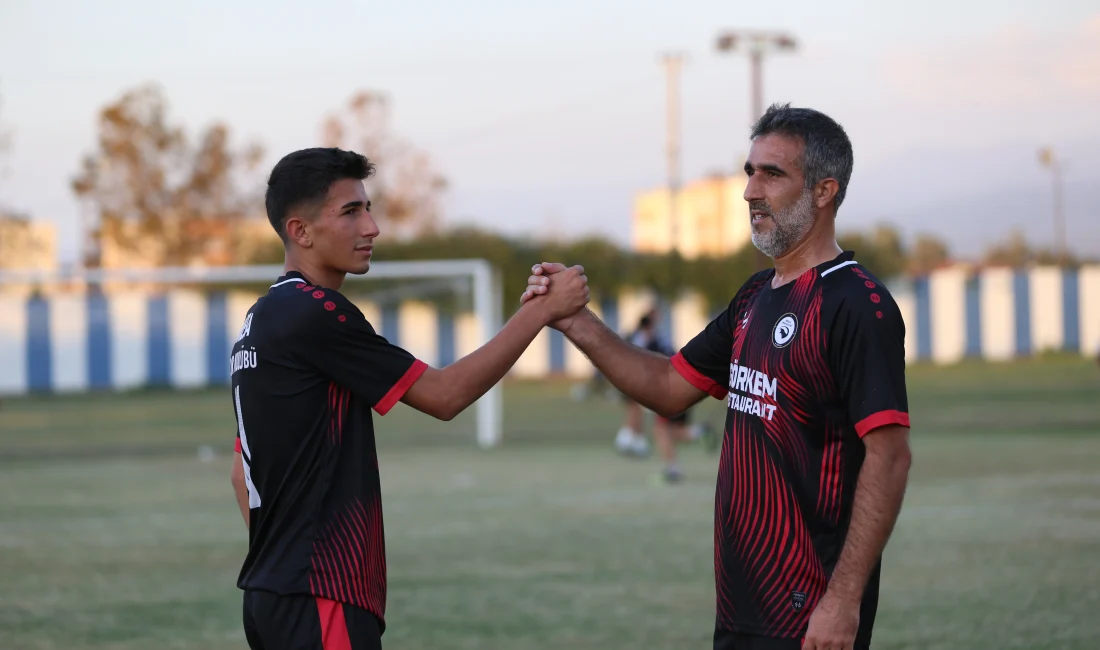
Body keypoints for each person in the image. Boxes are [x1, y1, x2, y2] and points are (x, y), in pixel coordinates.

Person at [523, 103, 912, 650]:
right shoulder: (754, 297)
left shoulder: (856, 303)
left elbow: (890, 456)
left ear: (825, 191)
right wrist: (576, 323)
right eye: (749, 172)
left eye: (772, 173)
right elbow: (666, 387)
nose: (751, 190)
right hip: (741, 608)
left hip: (809, 613)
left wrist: (843, 602)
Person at [228, 147, 588, 650]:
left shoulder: (261, 319)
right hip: (320, 596)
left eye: (368, 208)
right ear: (301, 231)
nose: (371, 226)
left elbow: (239, 474)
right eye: (351, 212)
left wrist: (283, 556)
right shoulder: (316, 311)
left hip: (271, 594)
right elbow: (445, 395)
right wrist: (541, 313)